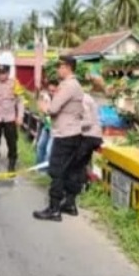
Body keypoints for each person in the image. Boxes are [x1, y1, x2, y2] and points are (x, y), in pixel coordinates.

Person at [33, 55, 85, 222]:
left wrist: (43, 107)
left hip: (64, 135)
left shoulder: (68, 85)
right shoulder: (77, 85)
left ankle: (54, 209)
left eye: (60, 67)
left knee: (57, 171)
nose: (58, 70)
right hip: (74, 133)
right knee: (70, 171)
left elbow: (54, 108)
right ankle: (69, 204)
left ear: (68, 67)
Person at [62, 92, 104, 215]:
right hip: (89, 137)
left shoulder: (82, 100)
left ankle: (70, 203)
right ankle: (71, 199)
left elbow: (87, 121)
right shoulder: (82, 98)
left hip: (88, 137)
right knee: (78, 167)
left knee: (73, 168)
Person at [35, 78, 59, 172]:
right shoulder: (46, 97)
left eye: (53, 90)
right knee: (40, 146)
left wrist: (46, 109)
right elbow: (41, 108)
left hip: (55, 129)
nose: (51, 92)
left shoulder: (60, 99)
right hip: (47, 126)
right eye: (50, 90)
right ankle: (39, 169)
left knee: (49, 151)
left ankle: (46, 171)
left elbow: (49, 111)